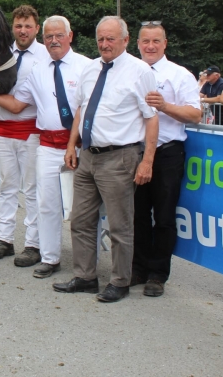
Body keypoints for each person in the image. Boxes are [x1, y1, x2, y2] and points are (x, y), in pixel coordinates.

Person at [0, 15, 91, 278]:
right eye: (18, 25)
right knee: (25, 193)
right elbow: (16, 102)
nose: (53, 40)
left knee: (65, 201)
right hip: (27, 136)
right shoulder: (21, 61)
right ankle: (23, 246)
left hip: (54, 137)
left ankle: (43, 248)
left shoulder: (75, 63)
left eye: (58, 35)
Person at [54, 16, 158, 303]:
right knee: (81, 221)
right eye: (101, 38)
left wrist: (147, 160)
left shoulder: (140, 71)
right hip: (88, 155)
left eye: (111, 38)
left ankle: (120, 281)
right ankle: (85, 277)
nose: (104, 44)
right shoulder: (90, 69)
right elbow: (81, 111)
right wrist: (71, 146)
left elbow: (151, 119)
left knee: (120, 226)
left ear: (125, 40)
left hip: (120, 157)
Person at [130, 21, 201, 297]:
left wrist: (165, 106)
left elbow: (195, 115)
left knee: (163, 216)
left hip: (167, 152)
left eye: (155, 41)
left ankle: (158, 274)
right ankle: (138, 268)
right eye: (145, 41)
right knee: (136, 215)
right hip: (135, 151)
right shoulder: (131, 71)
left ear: (165, 43)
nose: (149, 46)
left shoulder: (179, 75)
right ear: (137, 43)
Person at [0, 5, 51, 268]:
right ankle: (5, 239)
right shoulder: (3, 51)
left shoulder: (44, 56)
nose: (23, 31)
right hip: (4, 128)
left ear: (37, 28)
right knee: (6, 187)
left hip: (30, 129)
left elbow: (19, 105)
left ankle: (33, 244)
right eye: (18, 26)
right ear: (13, 27)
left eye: (28, 26)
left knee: (31, 190)